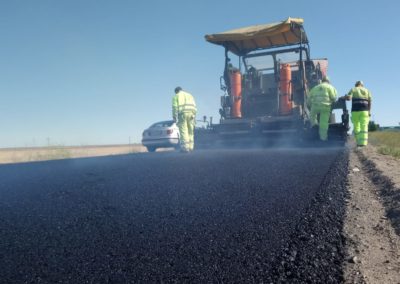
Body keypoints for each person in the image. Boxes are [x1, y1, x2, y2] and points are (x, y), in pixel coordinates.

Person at [308, 76, 338, 141]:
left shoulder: (315, 88)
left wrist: (310, 106)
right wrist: (332, 102)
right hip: (325, 107)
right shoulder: (330, 87)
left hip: (315, 106)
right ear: (328, 81)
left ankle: (314, 126)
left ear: (322, 81)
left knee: (312, 116)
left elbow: (309, 99)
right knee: (323, 123)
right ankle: (323, 138)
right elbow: (334, 98)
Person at [344, 81, 372, 147]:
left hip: (355, 111)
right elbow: (370, 102)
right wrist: (369, 111)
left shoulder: (353, 89)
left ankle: (358, 142)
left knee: (356, 127)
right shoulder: (367, 90)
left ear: (356, 85)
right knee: (364, 126)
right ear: (362, 85)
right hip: (365, 111)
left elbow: (349, 98)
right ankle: (363, 143)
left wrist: (345, 97)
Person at [172, 87, 197, 152]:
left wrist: (174, 116)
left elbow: (174, 107)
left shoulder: (176, 96)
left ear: (176, 91)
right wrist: (194, 115)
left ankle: (185, 148)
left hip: (182, 114)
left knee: (184, 131)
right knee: (190, 130)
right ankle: (191, 147)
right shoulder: (190, 95)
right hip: (191, 114)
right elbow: (194, 106)